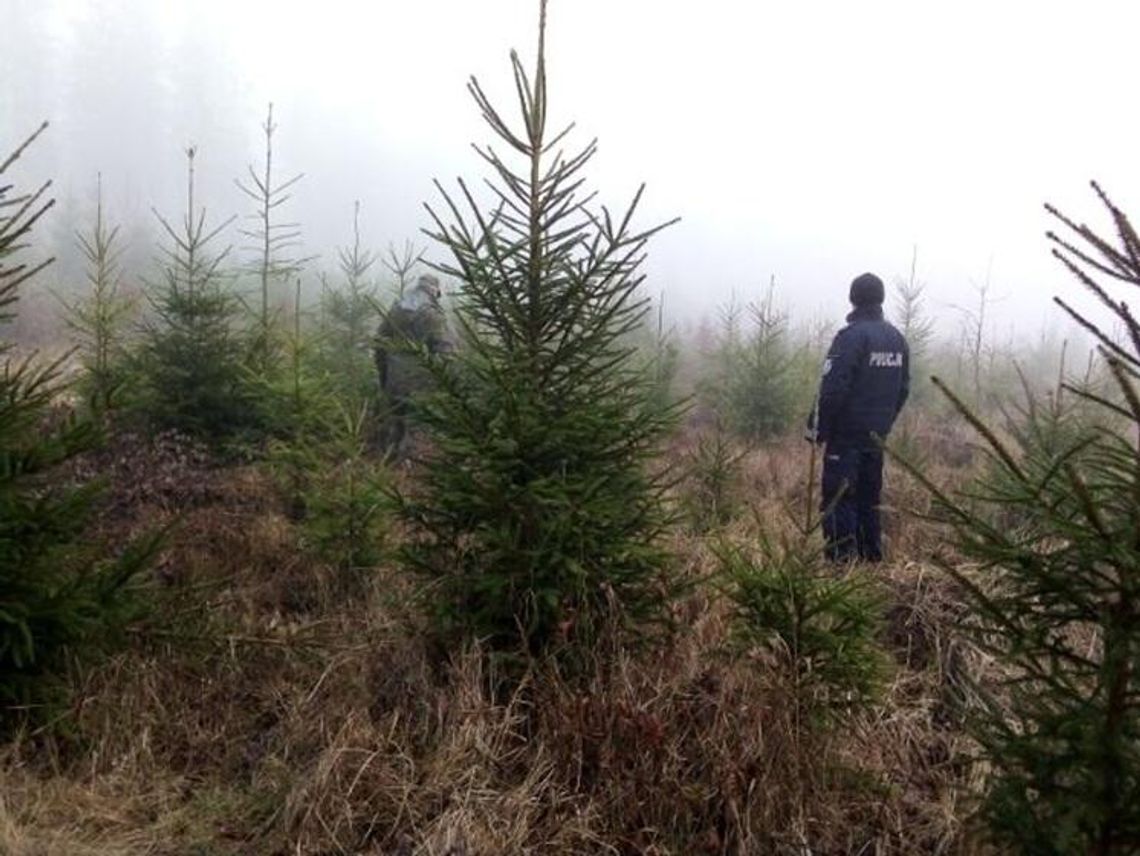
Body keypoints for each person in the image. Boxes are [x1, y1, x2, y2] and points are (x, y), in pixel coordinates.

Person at [807, 272, 909, 562]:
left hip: (846, 438)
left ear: (853, 299)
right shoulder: (897, 339)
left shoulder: (851, 338)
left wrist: (818, 427)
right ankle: (871, 561)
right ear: (881, 299)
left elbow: (833, 388)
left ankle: (841, 566)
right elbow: (903, 388)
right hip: (876, 438)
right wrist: (884, 424)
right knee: (869, 499)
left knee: (839, 499)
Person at [375, 274, 451, 457]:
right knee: (416, 421)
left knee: (395, 415)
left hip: (394, 372)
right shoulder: (431, 312)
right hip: (419, 376)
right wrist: (444, 380)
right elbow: (445, 348)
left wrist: (383, 372)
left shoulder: (399, 306)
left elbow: (380, 339)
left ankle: (388, 457)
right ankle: (409, 462)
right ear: (434, 290)